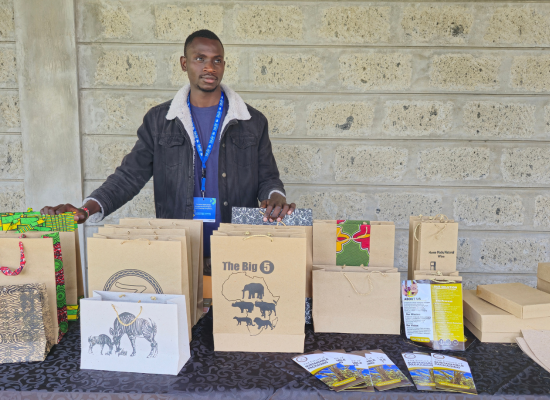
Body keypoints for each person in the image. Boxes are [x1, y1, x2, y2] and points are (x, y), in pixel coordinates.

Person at [41, 29, 296, 258]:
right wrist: (87, 209)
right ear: (184, 64)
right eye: (200, 59)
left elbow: (268, 179)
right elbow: (128, 177)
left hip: (237, 251)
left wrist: (275, 199)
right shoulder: (159, 121)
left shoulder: (252, 121)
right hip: (178, 251)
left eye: (217, 60)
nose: (210, 67)